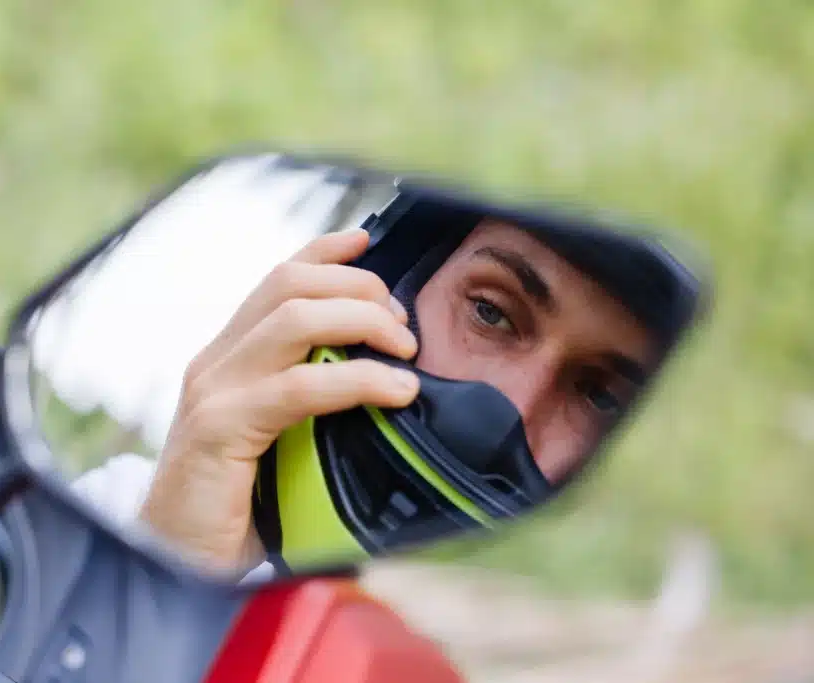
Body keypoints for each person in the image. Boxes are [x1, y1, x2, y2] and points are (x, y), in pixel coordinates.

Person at [72, 214, 666, 582]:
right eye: (489, 312)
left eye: (602, 397)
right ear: (376, 283)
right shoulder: (113, 520)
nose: (504, 418)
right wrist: (169, 575)